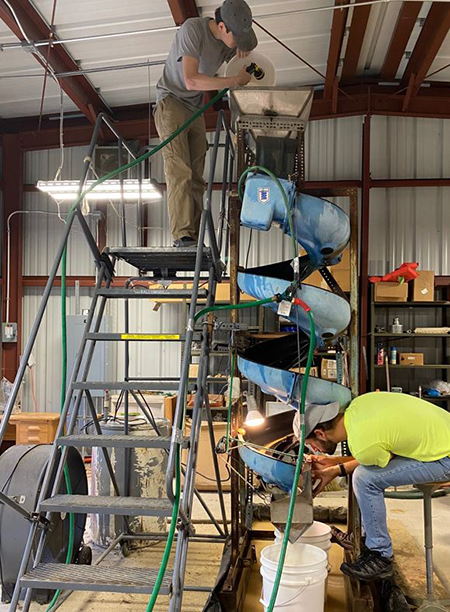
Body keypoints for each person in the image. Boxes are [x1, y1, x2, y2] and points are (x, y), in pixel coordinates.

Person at [295, 392, 450, 581]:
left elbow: (372, 460)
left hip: (444, 457)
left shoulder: (362, 444)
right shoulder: (358, 405)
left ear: (320, 433)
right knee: (365, 474)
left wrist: (336, 469)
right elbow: (379, 451)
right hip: (440, 433)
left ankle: (380, 555)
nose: (315, 450)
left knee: (364, 479)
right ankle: (364, 539)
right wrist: (334, 464)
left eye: (312, 445)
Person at [154, 0, 257, 248]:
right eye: (237, 38)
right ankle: (182, 235)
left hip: (195, 108)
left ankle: (194, 238)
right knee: (180, 170)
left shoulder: (226, 43)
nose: (237, 45)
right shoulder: (193, 30)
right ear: (222, 26)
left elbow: (244, 52)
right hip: (172, 102)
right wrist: (234, 80)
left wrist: (241, 50)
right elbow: (190, 80)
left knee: (198, 176)